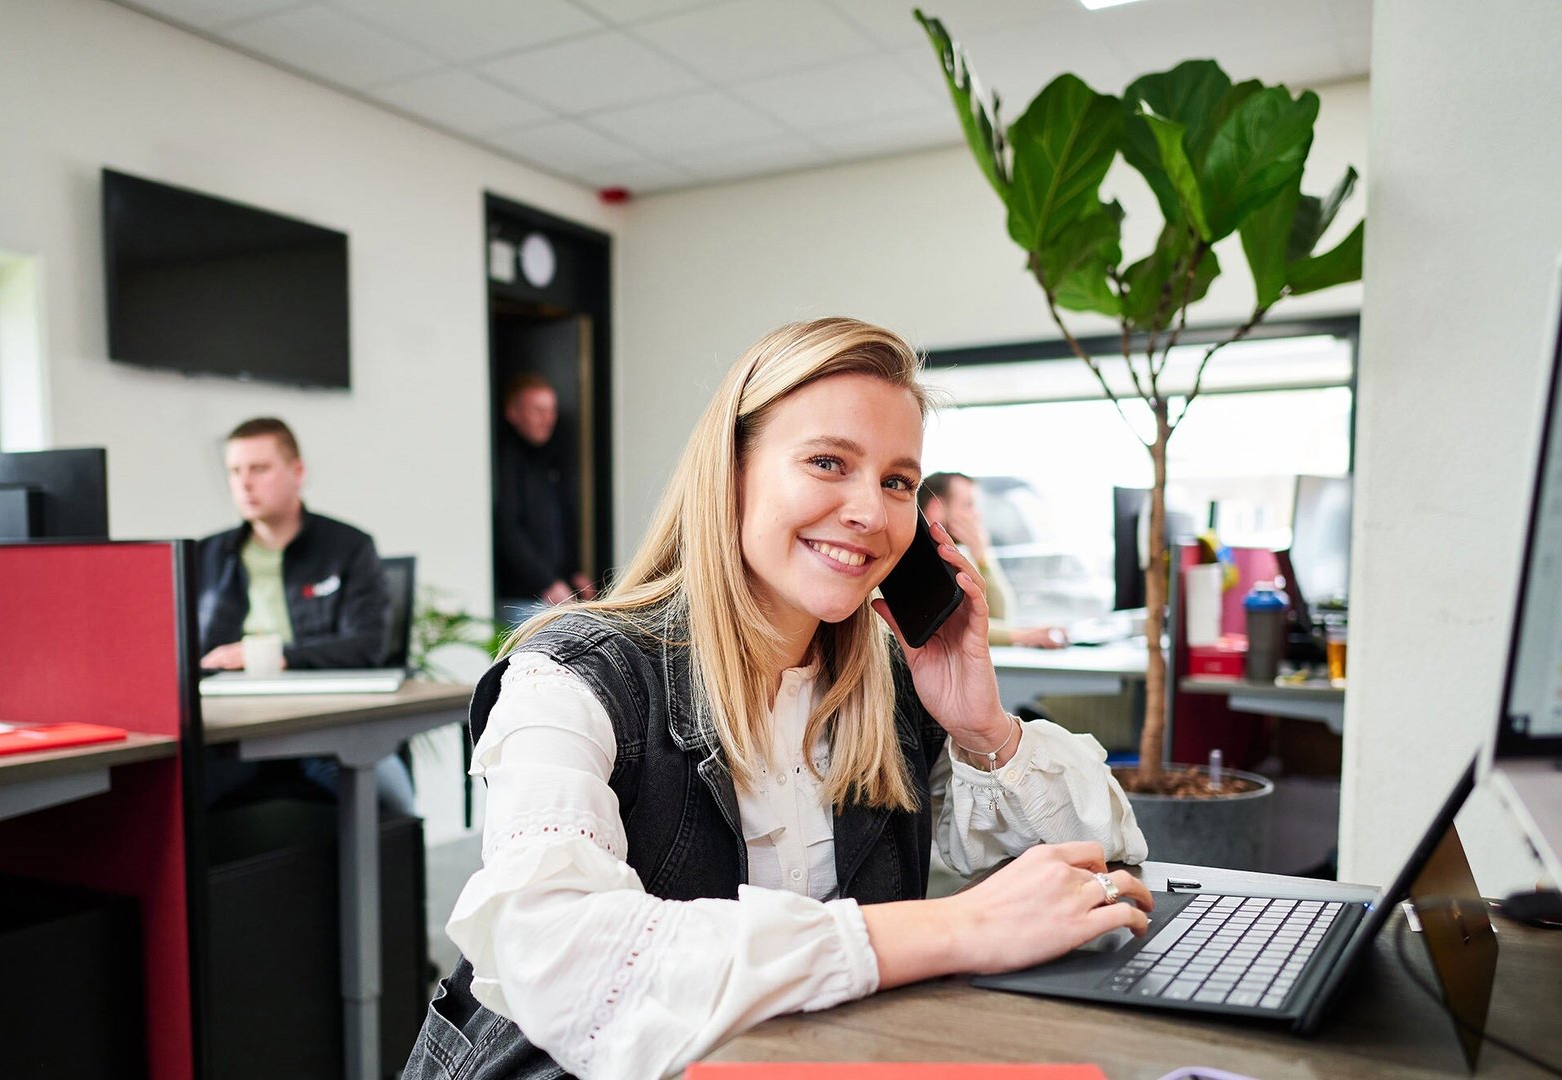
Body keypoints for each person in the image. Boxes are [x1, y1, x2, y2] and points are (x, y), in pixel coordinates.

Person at [403, 319, 1148, 1080]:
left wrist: (982, 725)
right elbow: (566, 958)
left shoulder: (885, 684)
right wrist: (957, 926)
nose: (870, 511)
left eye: (898, 481)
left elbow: (1103, 865)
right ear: (731, 472)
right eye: (829, 462)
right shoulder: (570, 678)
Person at [196, 417, 389, 671]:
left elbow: (367, 645)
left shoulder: (349, 547)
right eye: (234, 471)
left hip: (314, 690)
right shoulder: (206, 554)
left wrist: (277, 657)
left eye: (259, 469)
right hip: (222, 693)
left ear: (297, 472)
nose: (244, 484)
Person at [917, 471, 1069, 649]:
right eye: (969, 505)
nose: (976, 515)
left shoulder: (954, 559)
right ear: (936, 508)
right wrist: (1024, 635)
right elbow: (951, 626)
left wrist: (983, 557)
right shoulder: (920, 564)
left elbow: (1000, 615)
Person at [493, 373, 593, 618]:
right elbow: (507, 529)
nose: (547, 419)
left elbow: (559, 525)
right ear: (512, 413)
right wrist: (547, 582)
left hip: (554, 593)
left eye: (551, 410)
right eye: (538, 410)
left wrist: (573, 574)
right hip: (520, 600)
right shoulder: (503, 461)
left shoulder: (551, 458)